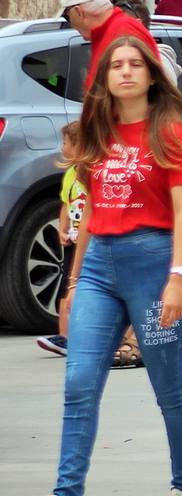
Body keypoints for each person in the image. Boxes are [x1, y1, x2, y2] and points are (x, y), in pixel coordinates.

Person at [52, 36, 182, 496]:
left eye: (134, 65)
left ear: (151, 75)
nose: (124, 72)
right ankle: (66, 492)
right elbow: (91, 211)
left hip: (155, 266)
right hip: (100, 264)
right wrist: (75, 281)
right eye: (115, 65)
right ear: (104, 78)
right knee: (79, 382)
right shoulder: (96, 129)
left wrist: (178, 280)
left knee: (167, 385)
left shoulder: (171, 130)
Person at [37, 123, 89, 358]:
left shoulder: (91, 173)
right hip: (74, 241)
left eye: (66, 143)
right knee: (66, 288)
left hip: (92, 242)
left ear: (79, 145)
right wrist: (63, 229)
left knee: (89, 291)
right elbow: (66, 204)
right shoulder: (70, 174)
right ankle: (65, 338)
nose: (63, 147)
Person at [59, 0, 157, 89]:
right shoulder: (110, 32)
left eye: (67, 17)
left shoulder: (124, 32)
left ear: (78, 12)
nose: (71, 24)